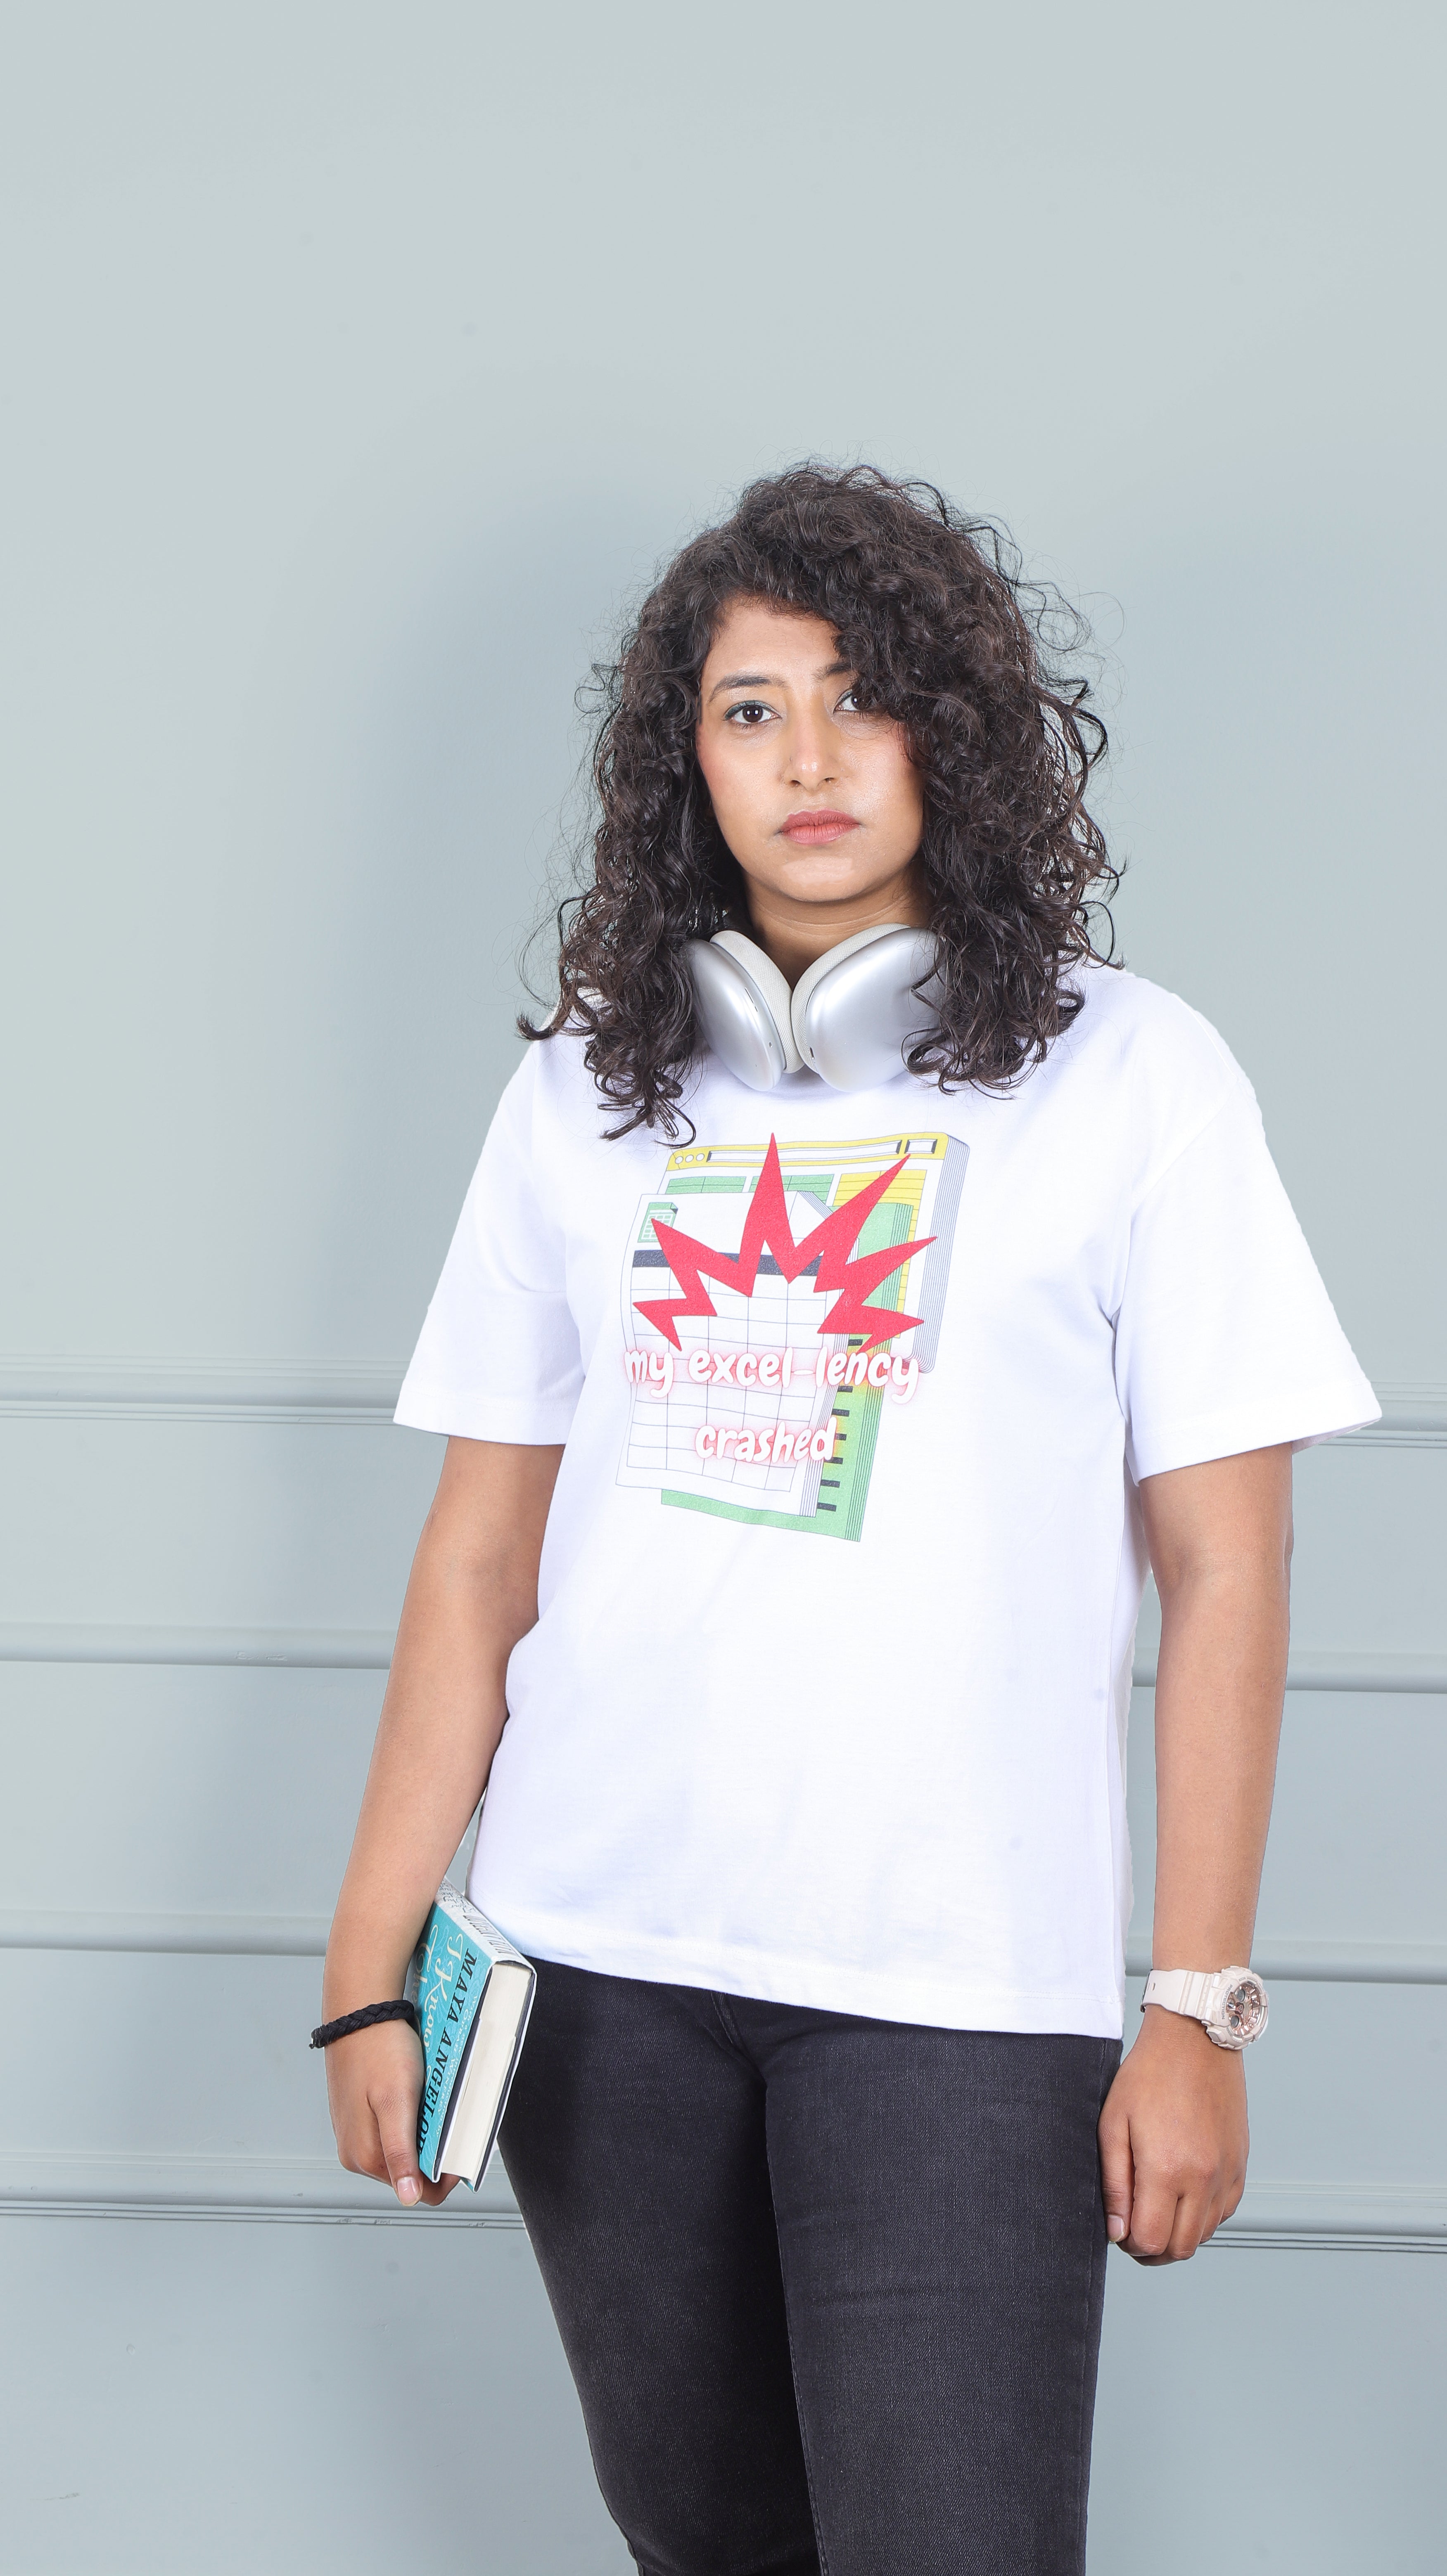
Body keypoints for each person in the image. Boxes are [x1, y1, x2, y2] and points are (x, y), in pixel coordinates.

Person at [320, 466, 1377, 2575]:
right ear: (686, 763)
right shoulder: (578, 1098)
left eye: (862, 696)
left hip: (958, 1994)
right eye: (750, 710)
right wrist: (369, 1963)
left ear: (950, 733)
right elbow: (479, 1558)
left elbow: (1225, 1567)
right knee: (708, 2546)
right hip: (598, 1974)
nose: (808, 759)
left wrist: (1196, 2004)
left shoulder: (1136, 1079)